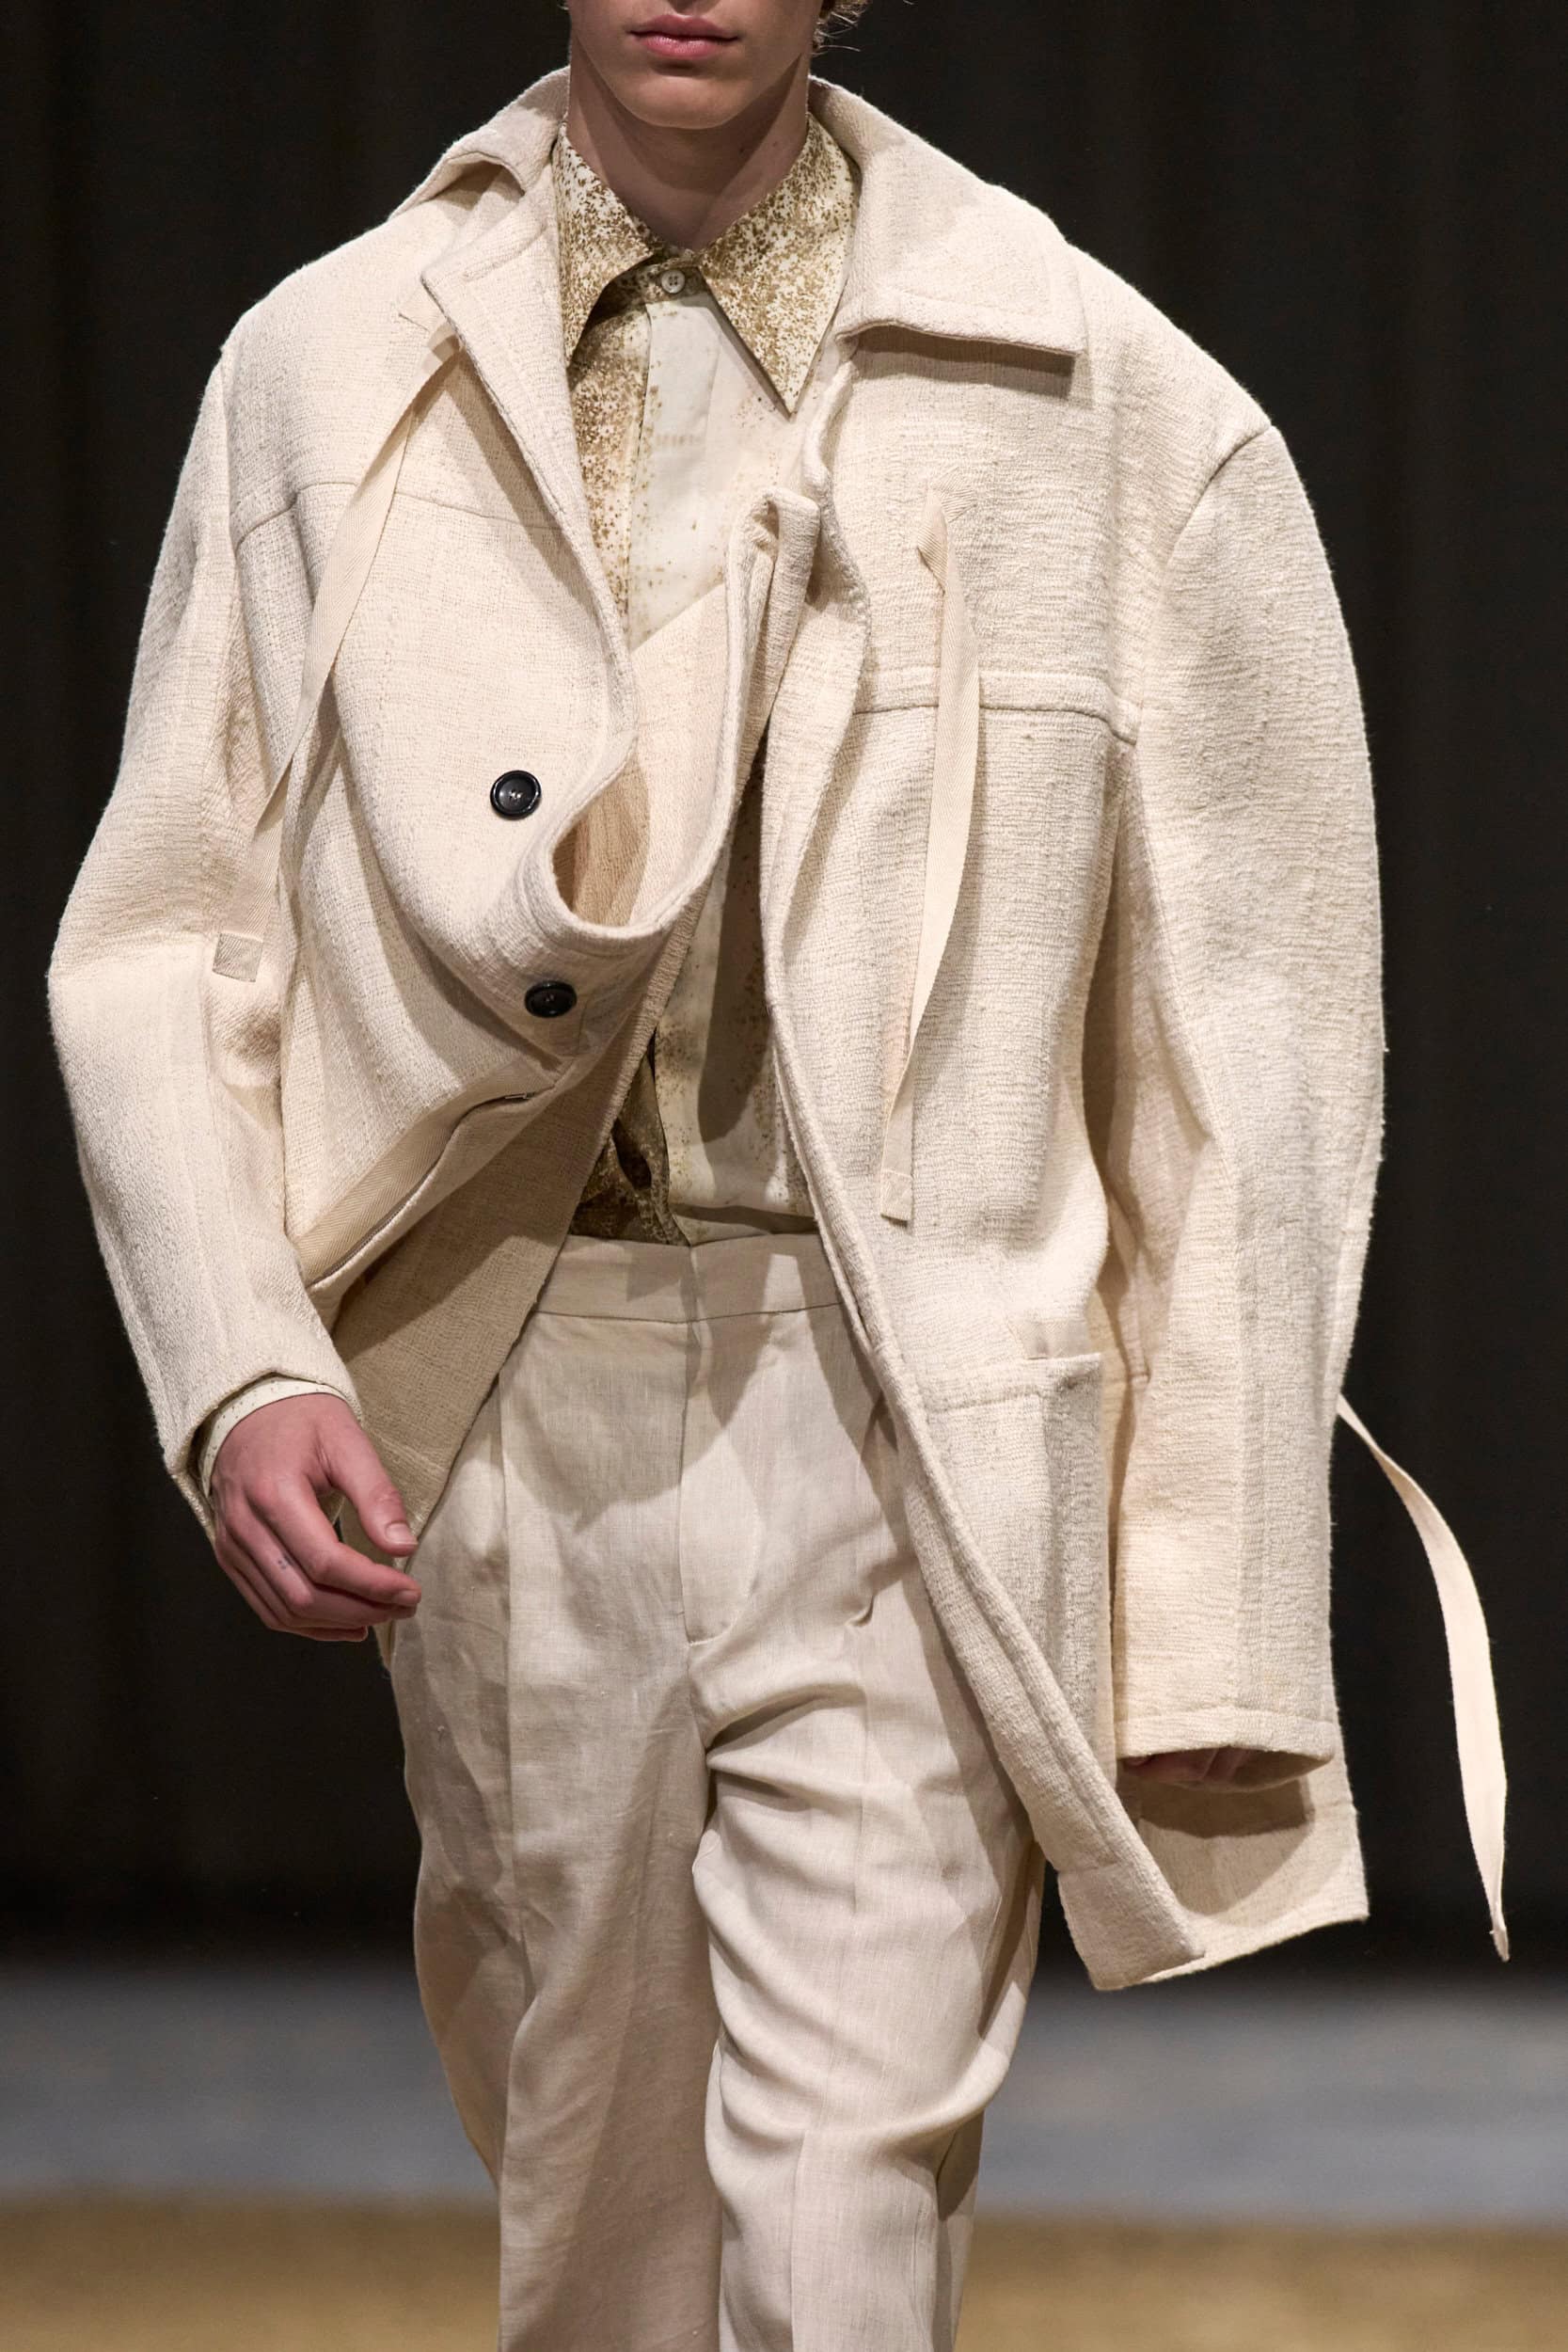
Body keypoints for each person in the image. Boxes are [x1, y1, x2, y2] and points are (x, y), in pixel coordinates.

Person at [47, 3, 1509, 2344]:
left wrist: (1214, 1586)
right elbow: (170, 931)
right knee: (602, 2236)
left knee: (846, 2224)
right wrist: (241, 1359)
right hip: (503, 1392)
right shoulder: (325, 366)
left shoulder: (1104, 398)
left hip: (913, 1401)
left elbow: (1251, 1049)